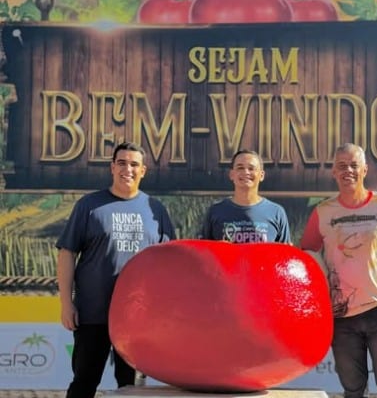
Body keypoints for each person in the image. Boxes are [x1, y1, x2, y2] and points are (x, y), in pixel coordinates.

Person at [300, 143, 377, 398]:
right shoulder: (322, 212)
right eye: (342, 166)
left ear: (365, 170)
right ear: (333, 172)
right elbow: (306, 259)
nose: (348, 171)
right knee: (353, 391)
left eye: (354, 165)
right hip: (342, 317)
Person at [56, 141, 176, 398]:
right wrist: (67, 304)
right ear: (112, 167)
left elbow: (168, 263)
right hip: (92, 313)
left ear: (143, 171)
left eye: (134, 164)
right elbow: (67, 253)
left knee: (131, 388)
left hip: (138, 318)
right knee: (84, 381)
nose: (127, 169)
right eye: (121, 163)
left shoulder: (156, 210)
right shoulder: (89, 206)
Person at [200, 149, 291, 243]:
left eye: (251, 168)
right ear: (231, 174)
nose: (246, 172)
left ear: (261, 175)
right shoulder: (215, 211)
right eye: (240, 168)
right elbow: (202, 253)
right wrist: (218, 249)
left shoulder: (276, 213)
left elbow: (286, 255)